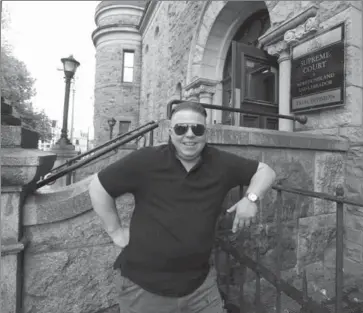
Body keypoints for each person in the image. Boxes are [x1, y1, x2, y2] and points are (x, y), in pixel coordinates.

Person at [88, 101, 276, 313]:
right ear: (170, 131)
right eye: (181, 128)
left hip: (200, 289)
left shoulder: (220, 163)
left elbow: (266, 171)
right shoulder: (146, 160)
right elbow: (98, 187)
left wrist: (250, 199)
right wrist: (116, 232)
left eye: (197, 128)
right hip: (144, 290)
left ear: (206, 133)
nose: (189, 134)